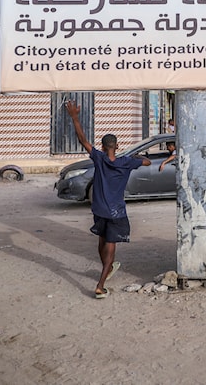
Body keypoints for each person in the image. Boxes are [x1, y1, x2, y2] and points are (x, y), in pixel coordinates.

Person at [65, 100, 152, 299]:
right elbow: (146, 161)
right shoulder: (126, 162)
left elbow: (83, 140)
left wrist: (75, 117)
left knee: (102, 241)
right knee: (111, 249)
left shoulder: (99, 158)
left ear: (103, 147)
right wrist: (138, 158)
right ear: (117, 146)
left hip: (99, 209)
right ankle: (100, 284)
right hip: (116, 212)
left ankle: (107, 268)